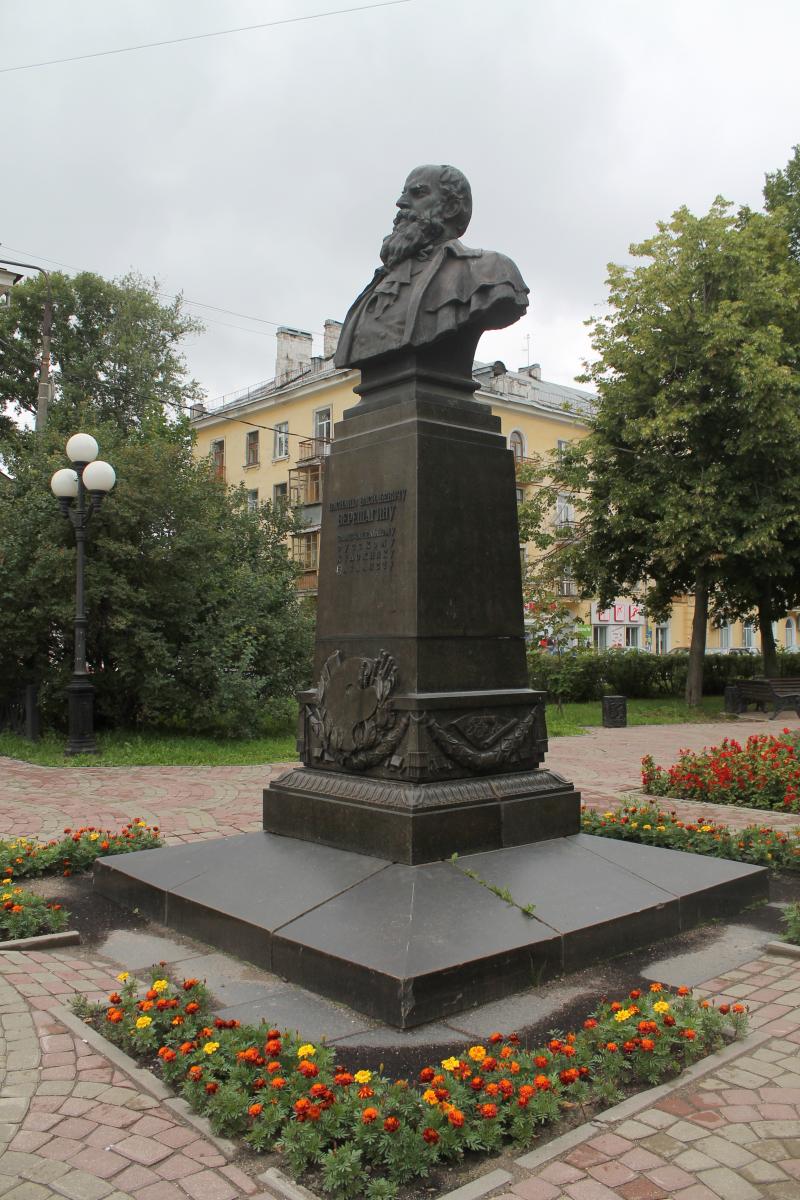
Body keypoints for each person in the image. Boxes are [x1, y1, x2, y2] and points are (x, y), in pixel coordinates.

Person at [334, 164, 529, 369]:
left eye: (418, 193)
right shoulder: (378, 286)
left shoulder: (489, 270)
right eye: (403, 193)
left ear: (451, 207)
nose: (401, 203)